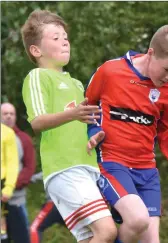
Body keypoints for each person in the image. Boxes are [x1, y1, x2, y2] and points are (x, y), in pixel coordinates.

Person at [85, 24, 168, 243]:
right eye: (167, 69)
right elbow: (88, 107)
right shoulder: (110, 71)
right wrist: (94, 131)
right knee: (137, 219)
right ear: (151, 53)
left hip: (147, 172)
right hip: (113, 163)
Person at [21, 10, 117, 243]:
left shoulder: (74, 82)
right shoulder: (38, 76)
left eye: (65, 36)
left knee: (90, 238)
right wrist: (72, 114)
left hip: (86, 168)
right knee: (108, 232)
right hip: (65, 170)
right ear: (36, 50)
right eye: (55, 37)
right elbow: (37, 122)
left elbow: (82, 124)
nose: (64, 40)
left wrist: (95, 136)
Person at [1, 102, 36, 243]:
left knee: (21, 237)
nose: (8, 116)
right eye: (5, 113)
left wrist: (10, 185)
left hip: (16, 198)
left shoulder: (24, 139)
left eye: (11, 113)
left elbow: (29, 167)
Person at [30, 172, 65, 243]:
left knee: (34, 229)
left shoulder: (51, 166)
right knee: (86, 231)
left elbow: (33, 178)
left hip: (53, 205)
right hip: (73, 206)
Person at [1, 123, 19, 243]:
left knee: (2, 225)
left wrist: (9, 187)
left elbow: (12, 162)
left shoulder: (7, 132)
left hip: (1, 183)